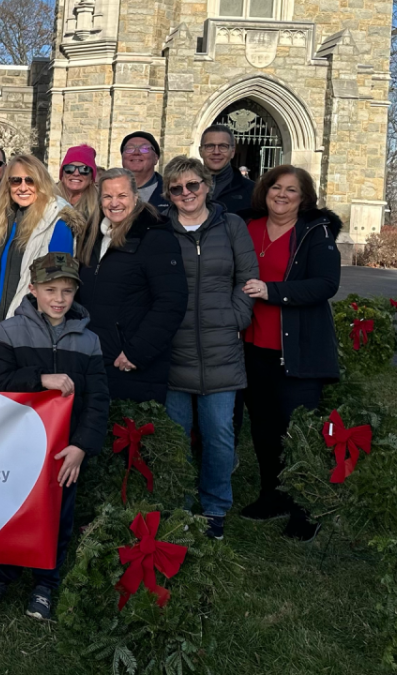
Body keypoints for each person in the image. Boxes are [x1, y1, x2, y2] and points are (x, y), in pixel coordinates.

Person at [0, 252, 109, 621]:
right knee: (13, 513)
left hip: (64, 452)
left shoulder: (89, 341)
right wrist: (39, 379)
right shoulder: (7, 332)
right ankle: (2, 574)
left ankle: (46, 583)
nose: (59, 299)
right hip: (17, 448)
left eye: (67, 291)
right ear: (33, 289)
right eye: (50, 290)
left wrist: (81, 446)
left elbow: (98, 399)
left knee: (58, 516)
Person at [239, 165, 340, 542]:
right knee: (264, 430)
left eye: (292, 190)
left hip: (296, 349)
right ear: (265, 190)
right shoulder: (248, 227)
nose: (281, 194)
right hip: (253, 345)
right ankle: (273, 496)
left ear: (304, 198)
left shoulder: (315, 232)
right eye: (276, 187)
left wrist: (273, 291)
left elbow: (326, 284)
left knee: (297, 431)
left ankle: (306, 508)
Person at [161, 155, 258, 541]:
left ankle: (215, 506)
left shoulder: (231, 225)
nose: (186, 193)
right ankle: (180, 504)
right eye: (176, 188)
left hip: (221, 344)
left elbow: (247, 277)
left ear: (207, 186)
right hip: (175, 345)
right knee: (176, 432)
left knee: (218, 433)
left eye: (192, 185)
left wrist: (236, 317)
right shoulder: (161, 229)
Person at [76, 168, 187, 403]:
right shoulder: (93, 235)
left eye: (122, 195)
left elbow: (171, 302)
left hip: (129, 363)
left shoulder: (155, 237)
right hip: (93, 357)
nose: (114, 203)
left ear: (136, 197)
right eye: (107, 196)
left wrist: (137, 352)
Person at [0, 154, 81, 329]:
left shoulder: (57, 223)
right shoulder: (4, 219)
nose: (23, 187)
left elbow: (58, 286)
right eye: (16, 181)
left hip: (32, 328)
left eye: (30, 181)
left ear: (41, 183)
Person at [199, 124, 254, 217]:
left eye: (223, 146)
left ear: (232, 152)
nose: (216, 152)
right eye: (210, 146)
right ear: (201, 151)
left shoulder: (252, 191)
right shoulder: (184, 189)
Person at [121, 131, 170, 213]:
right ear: (122, 158)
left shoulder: (172, 192)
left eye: (144, 149)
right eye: (130, 149)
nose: (136, 152)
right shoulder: (107, 190)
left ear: (156, 158)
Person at [55, 144, 101, 228]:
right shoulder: (47, 199)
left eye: (84, 169)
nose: (76, 173)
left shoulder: (100, 206)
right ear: (62, 174)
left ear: (91, 178)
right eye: (69, 168)